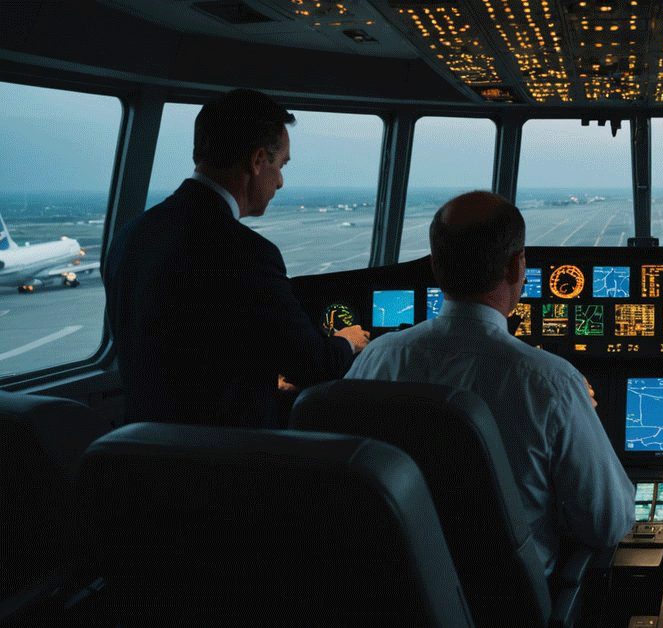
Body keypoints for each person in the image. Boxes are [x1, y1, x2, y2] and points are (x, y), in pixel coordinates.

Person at [345, 190, 635, 578]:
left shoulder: (376, 359)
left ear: (436, 266)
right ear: (517, 268)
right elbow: (608, 524)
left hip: (398, 598)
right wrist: (575, 410)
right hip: (512, 607)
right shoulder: (551, 382)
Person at [105, 89, 369, 429]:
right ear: (257, 161)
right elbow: (313, 364)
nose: (281, 181)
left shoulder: (129, 236)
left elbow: (187, 350)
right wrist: (347, 341)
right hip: (226, 462)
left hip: (145, 451)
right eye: (281, 164)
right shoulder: (246, 253)